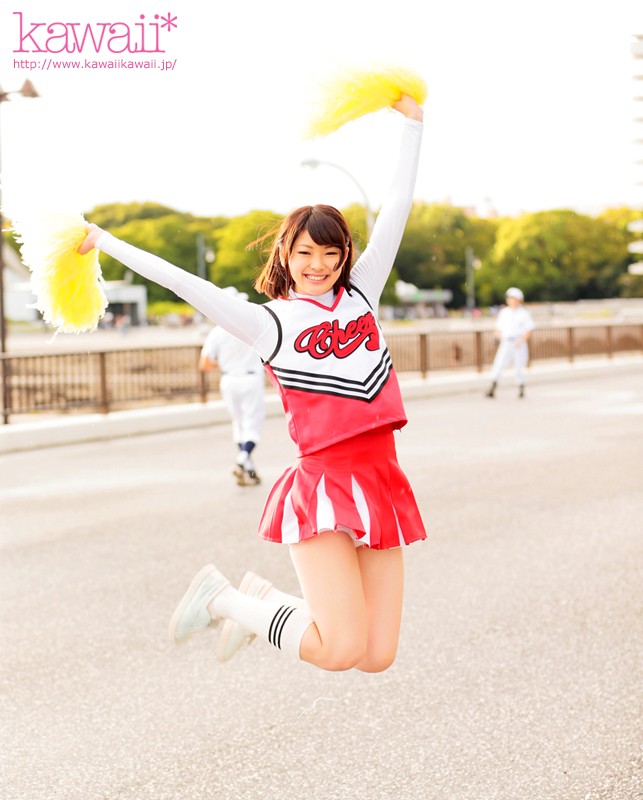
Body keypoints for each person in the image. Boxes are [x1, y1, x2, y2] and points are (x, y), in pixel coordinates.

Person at [79, 94, 426, 673]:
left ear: (345, 256)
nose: (318, 264)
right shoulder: (269, 322)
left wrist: (413, 125)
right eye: (305, 252)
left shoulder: (362, 293)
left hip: (382, 478)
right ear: (285, 254)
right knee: (340, 650)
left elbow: (396, 208)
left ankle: (264, 602)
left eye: (331, 253)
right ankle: (224, 600)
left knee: (376, 656)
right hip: (324, 483)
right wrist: (106, 242)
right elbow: (185, 284)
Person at [198, 287, 265, 486]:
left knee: (238, 423)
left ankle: (249, 468)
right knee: (252, 424)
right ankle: (242, 460)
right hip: (251, 378)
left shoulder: (216, 333)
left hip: (228, 379)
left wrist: (225, 363)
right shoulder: (251, 327)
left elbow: (204, 364)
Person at [485, 287, 535, 399]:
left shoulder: (524, 313)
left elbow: (529, 330)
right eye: (509, 298)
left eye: (513, 298)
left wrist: (521, 340)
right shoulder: (504, 312)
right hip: (506, 342)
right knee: (498, 364)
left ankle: (521, 387)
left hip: (518, 343)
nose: (511, 300)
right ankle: (492, 387)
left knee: (519, 366)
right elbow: (498, 328)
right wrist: (497, 337)